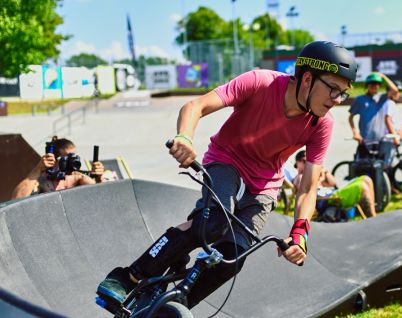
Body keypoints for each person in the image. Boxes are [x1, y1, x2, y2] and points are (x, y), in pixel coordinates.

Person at [96, 41, 358, 311]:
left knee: (233, 257)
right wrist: (185, 137)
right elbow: (195, 106)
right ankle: (129, 276)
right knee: (213, 224)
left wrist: (300, 232)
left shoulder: (321, 123)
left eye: (343, 94)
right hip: (226, 160)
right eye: (334, 89)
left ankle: (175, 307)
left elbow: (308, 188)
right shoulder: (260, 82)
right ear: (307, 78)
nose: (338, 100)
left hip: (265, 184)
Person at [11, 136, 104, 199]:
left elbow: (101, 196)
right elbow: (17, 199)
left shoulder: (78, 177)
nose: (72, 162)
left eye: (74, 156)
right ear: (54, 160)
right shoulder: (41, 181)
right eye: (67, 158)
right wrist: (38, 169)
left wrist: (99, 177)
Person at [292, 150, 376, 218]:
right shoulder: (300, 177)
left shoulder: (314, 173)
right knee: (363, 187)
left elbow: (333, 183)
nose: (309, 163)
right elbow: (306, 191)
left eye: (311, 160)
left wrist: (324, 170)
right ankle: (372, 219)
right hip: (329, 200)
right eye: (305, 161)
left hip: (333, 194)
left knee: (366, 179)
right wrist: (320, 179)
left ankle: (374, 215)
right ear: (297, 163)